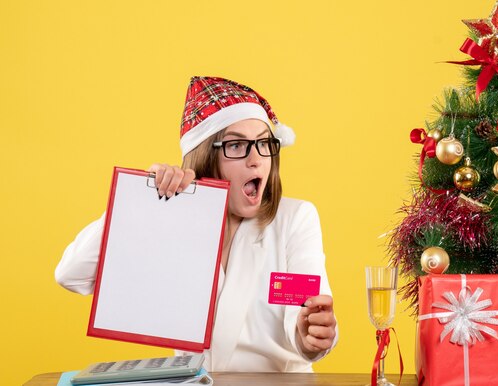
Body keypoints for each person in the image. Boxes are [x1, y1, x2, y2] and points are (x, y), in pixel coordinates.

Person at [55, 76, 338, 372]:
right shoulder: (174, 220)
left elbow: (306, 314)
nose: (256, 160)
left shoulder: (295, 220)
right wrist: (141, 199)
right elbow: (72, 274)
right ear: (205, 157)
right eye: (237, 145)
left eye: (264, 143)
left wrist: (311, 337)